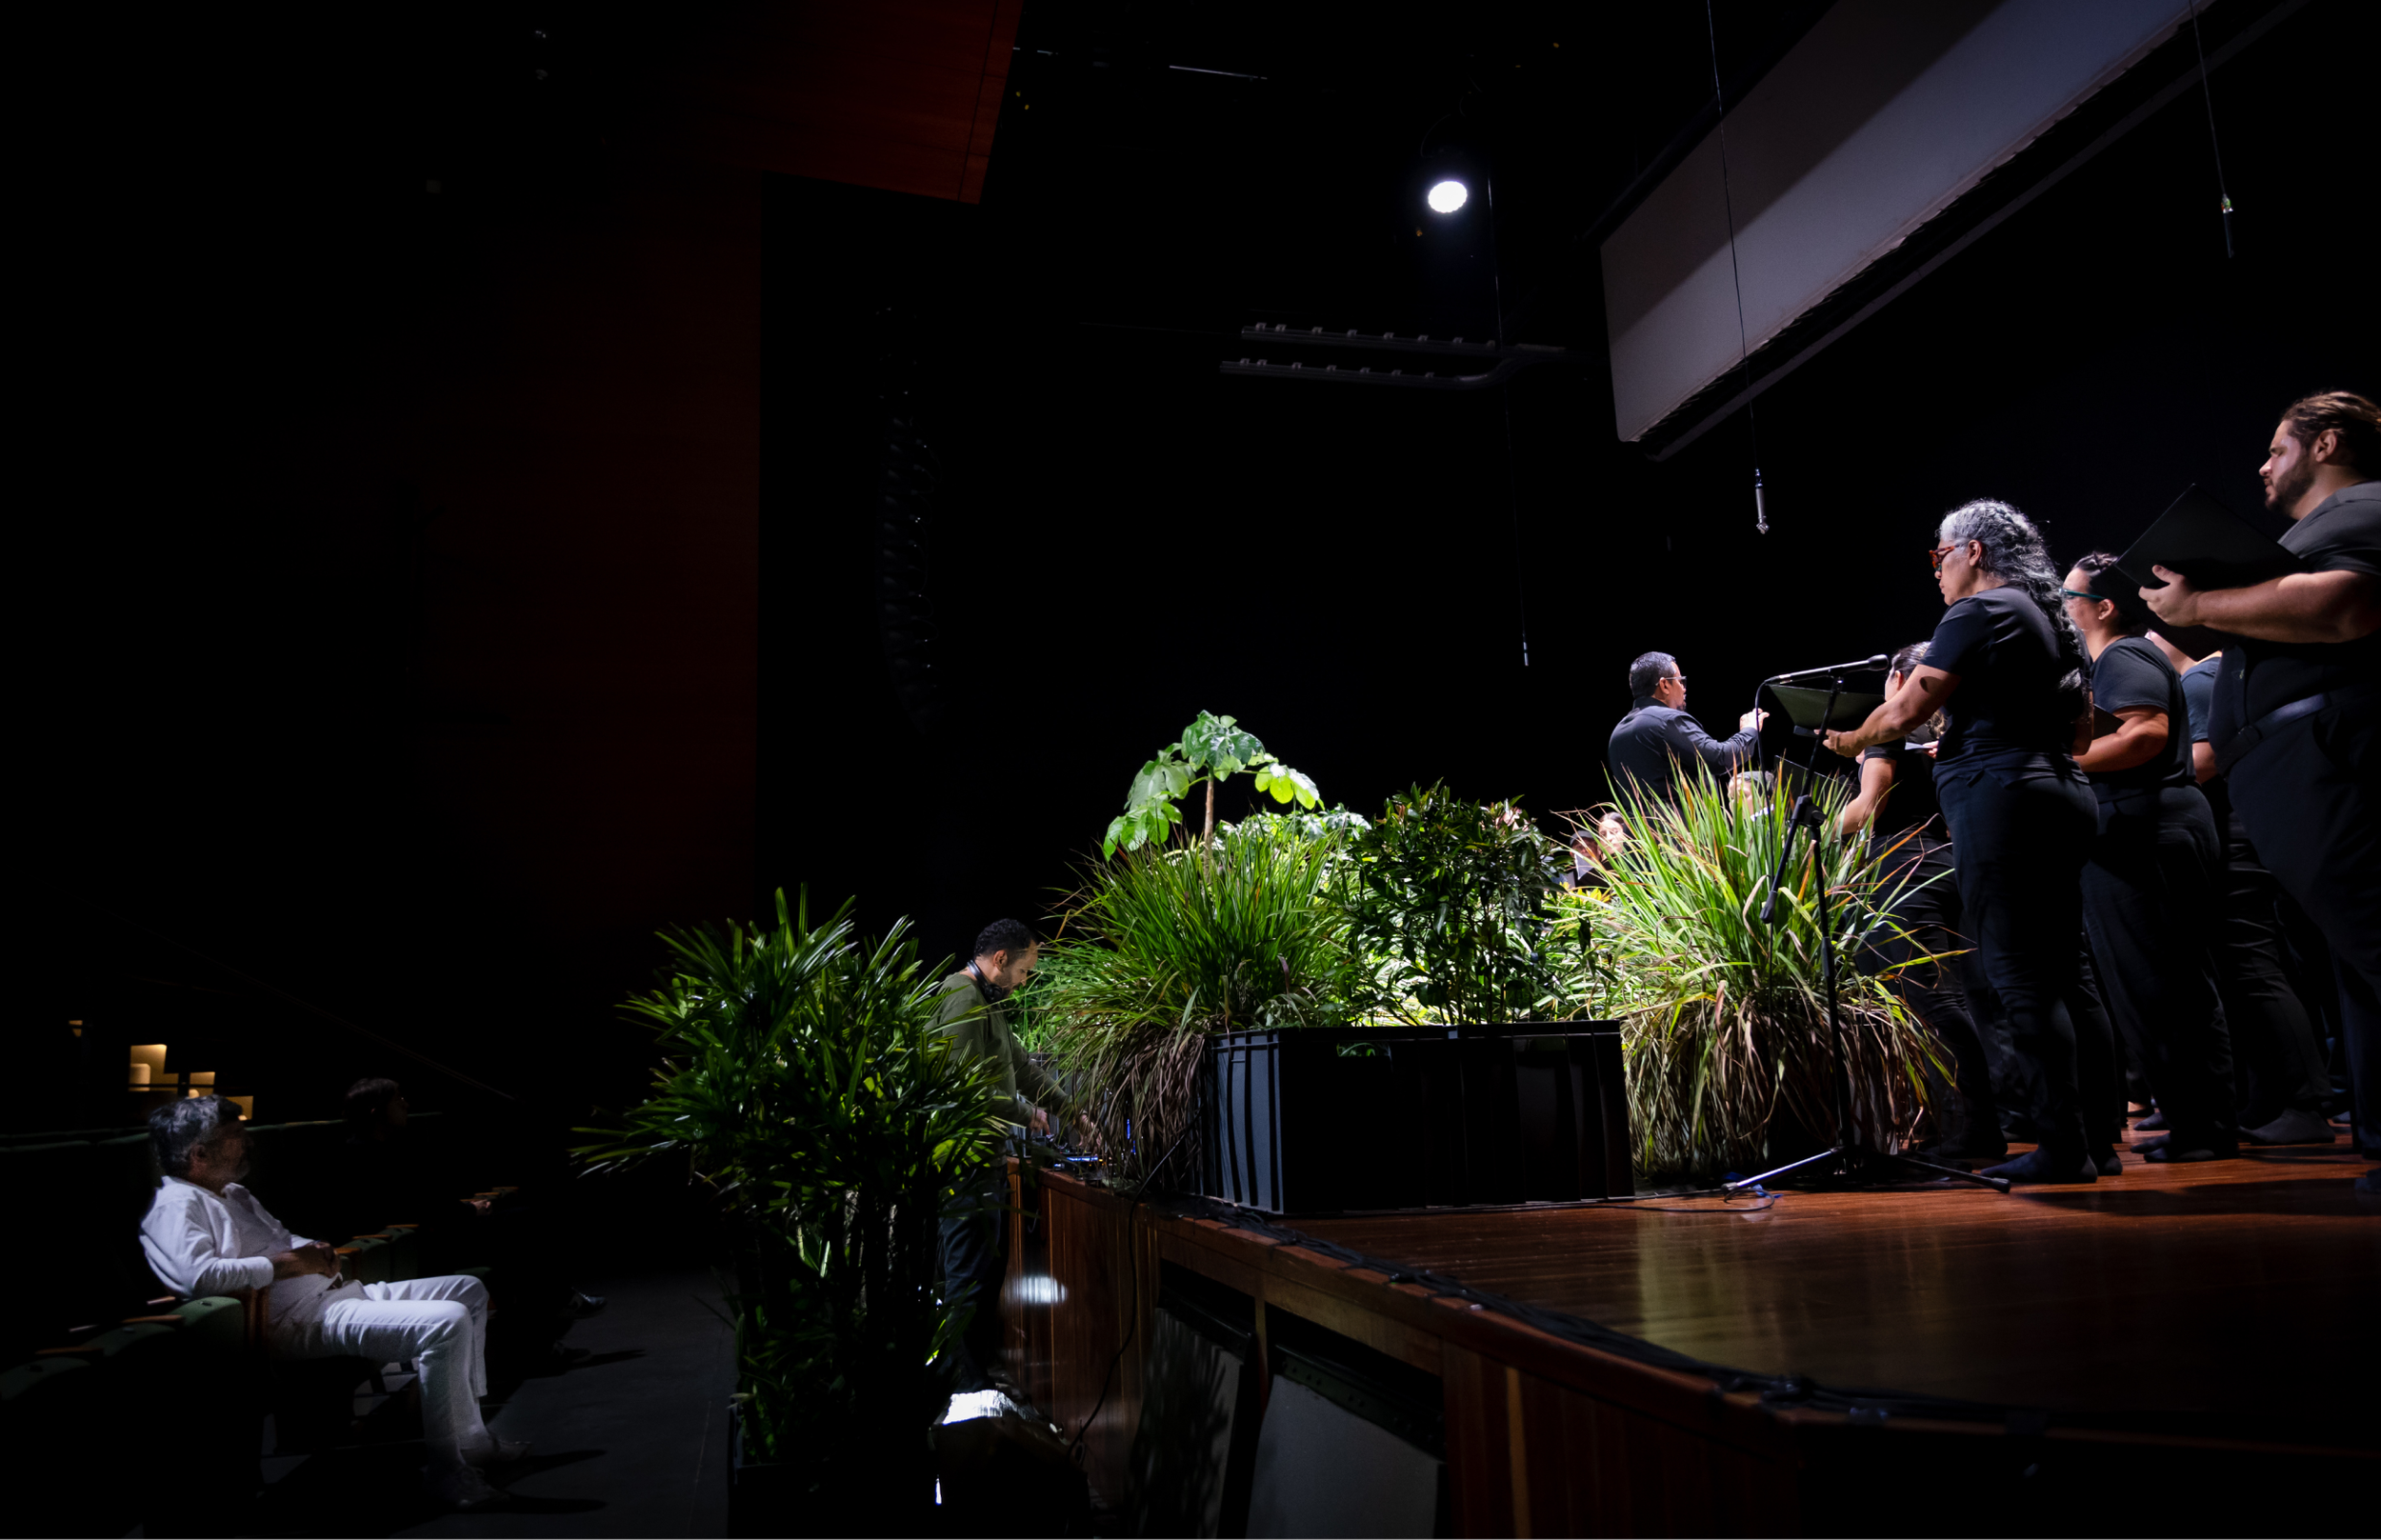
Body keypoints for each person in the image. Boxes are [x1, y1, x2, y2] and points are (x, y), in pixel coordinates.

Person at [1823, 500, 2113, 1183]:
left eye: (1939, 556)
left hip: (2003, 796)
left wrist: (1851, 739)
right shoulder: (2052, 623)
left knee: (2020, 975)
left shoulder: (1978, 613)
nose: (1937, 573)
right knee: (2068, 973)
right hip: (2061, 791)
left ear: (1975, 551)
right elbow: (2081, 737)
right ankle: (2096, 1140)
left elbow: (1905, 710)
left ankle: (2063, 1151)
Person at [2144, 391, 2380, 1191]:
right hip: (2304, 769)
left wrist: (2199, 606)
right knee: (2358, 965)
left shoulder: (2360, 512)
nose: (2262, 464)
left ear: (2328, 444)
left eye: (2278, 448)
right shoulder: (2315, 532)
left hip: (2337, 763)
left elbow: (2346, 608)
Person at [140, 1096, 526, 1510]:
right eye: (236, 1136)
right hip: (296, 1319)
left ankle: (472, 1438)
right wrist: (287, 1264)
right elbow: (197, 1277)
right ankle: (447, 1471)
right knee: (446, 1321)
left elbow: (284, 1239)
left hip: (333, 1296)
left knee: (468, 1289)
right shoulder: (175, 1205)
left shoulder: (232, 1192)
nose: (248, 1142)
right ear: (200, 1153)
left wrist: (315, 1249)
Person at [2063, 553, 2237, 1161]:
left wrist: (2056, 765)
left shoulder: (2124, 655)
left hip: (2147, 829)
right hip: (2147, 827)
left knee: (2163, 984)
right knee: (2164, 983)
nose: (2063, 606)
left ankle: (2205, 1129)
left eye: (2070, 595)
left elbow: (2145, 734)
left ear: (2104, 606)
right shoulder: (2117, 657)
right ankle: (2199, 1122)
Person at [1838, 641, 2004, 1160]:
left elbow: (1868, 808)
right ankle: (1969, 1124)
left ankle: (1971, 1129)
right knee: (1963, 998)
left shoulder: (1891, 729)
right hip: (1950, 860)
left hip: (1905, 865)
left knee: (1928, 1000)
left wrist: (1807, 827)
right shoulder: (1952, 727)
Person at [2177, 648, 2336, 1144]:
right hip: (2238, 833)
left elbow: (2203, 761)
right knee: (2246, 970)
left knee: (2253, 966)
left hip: (2235, 838)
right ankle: (2272, 1099)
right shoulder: (2215, 675)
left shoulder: (2204, 678)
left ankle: (2306, 1104)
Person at [933, 919, 1061, 1392]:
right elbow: (962, 1086)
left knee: (982, 1276)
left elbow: (1023, 1068)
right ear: (1000, 960)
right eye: (1024, 971)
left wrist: (1074, 1112)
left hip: (983, 1163)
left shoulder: (989, 1005)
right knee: (968, 1278)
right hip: (963, 1164)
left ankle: (974, 1381)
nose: (1025, 982)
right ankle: (964, 1390)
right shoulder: (961, 998)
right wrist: (1026, 1113)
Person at [1608, 652, 1767, 805]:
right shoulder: (1667, 720)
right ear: (1664, 685)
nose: (1684, 688)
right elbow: (1719, 758)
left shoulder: (1618, 734)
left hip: (1642, 831)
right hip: (1679, 830)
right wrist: (1749, 730)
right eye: (1680, 681)